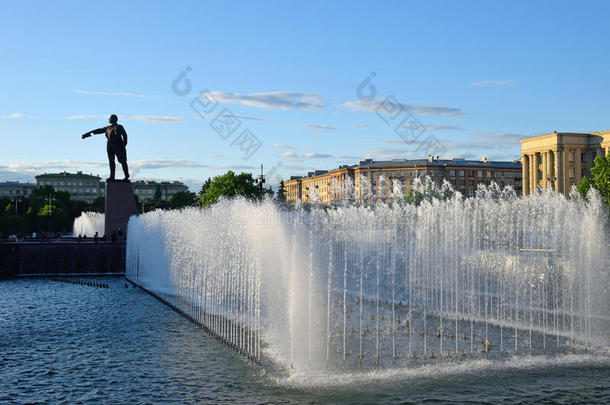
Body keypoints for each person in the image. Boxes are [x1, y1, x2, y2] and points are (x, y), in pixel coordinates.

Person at [81, 114, 130, 181]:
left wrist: (124, 145)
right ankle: (112, 176)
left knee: (122, 161)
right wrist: (87, 133)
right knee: (111, 161)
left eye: (109, 118)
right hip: (109, 145)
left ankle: (126, 176)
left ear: (113, 119)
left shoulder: (119, 127)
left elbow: (125, 135)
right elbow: (99, 130)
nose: (108, 119)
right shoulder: (108, 128)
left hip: (118, 146)